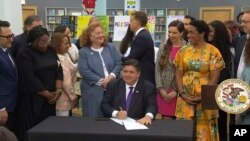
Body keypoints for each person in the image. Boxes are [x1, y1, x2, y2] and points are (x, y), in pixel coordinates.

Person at [174, 20, 224, 141]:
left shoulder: (213, 51)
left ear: (202, 33)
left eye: (191, 32)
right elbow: (178, 74)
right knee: (184, 127)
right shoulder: (183, 51)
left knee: (204, 127)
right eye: (187, 33)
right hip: (185, 97)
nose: (188, 35)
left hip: (206, 95)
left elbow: (214, 78)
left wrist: (202, 96)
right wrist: (182, 93)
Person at [16, 26, 63, 141]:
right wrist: (47, 95)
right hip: (32, 100)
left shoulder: (51, 50)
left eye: (47, 41)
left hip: (51, 99)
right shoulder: (24, 53)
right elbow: (29, 77)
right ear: (32, 40)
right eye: (42, 42)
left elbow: (58, 68)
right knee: (33, 131)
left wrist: (58, 90)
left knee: (48, 130)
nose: (45, 45)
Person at [78, 23, 122, 118]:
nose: (101, 35)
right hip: (92, 89)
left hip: (112, 87)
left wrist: (110, 77)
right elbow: (84, 71)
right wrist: (102, 82)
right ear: (90, 37)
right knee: (93, 118)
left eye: (102, 32)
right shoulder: (83, 52)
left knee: (113, 116)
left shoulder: (111, 47)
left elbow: (118, 63)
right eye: (97, 33)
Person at [101, 59, 157, 125]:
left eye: (131, 72)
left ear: (138, 74)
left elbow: (152, 105)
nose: (127, 75)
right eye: (125, 71)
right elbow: (104, 104)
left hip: (138, 123)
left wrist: (148, 117)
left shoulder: (148, 87)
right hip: (116, 123)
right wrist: (116, 113)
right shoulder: (113, 85)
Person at [155, 20, 186, 119]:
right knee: (166, 122)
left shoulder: (187, 48)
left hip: (181, 90)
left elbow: (187, 73)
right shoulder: (163, 46)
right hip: (165, 90)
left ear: (181, 33)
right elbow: (157, 69)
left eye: (174, 33)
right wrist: (160, 89)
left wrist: (177, 91)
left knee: (180, 122)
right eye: (169, 32)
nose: (171, 35)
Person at [208, 20, 232, 141]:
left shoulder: (229, 51)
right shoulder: (206, 48)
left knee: (221, 120)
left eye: (211, 31)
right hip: (208, 88)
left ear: (219, 33)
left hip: (223, 88)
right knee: (208, 121)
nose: (209, 33)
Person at [122, 11, 155, 85]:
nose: (129, 23)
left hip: (144, 78)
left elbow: (132, 58)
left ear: (137, 22)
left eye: (131, 20)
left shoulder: (141, 37)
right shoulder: (143, 35)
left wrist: (118, 59)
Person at [50, 33, 78, 116]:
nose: (69, 46)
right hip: (64, 98)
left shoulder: (62, 55)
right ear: (57, 45)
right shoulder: (62, 59)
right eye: (65, 44)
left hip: (60, 96)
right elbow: (66, 83)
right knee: (63, 123)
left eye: (69, 43)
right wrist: (73, 96)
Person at [0, 21, 18, 131]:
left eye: (12, 35)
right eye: (8, 36)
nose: (11, 39)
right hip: (3, 106)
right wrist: (1, 108)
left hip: (12, 104)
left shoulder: (7, 50)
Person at [235, 10, 250, 124]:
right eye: (241, 21)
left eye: (245, 21)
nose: (242, 24)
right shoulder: (241, 40)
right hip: (240, 93)